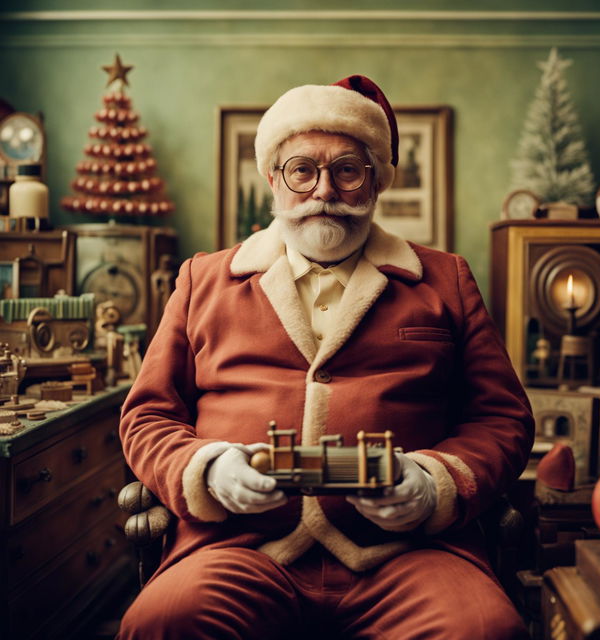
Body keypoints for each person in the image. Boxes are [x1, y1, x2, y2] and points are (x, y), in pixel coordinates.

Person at [118, 75, 534, 640]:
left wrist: (434, 485)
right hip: (239, 548)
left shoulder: (445, 279)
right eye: (301, 170)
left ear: (377, 182)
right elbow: (147, 416)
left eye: (347, 169)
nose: (324, 189)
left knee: (484, 628)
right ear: (272, 180)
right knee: (162, 622)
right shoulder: (202, 279)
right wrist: (208, 470)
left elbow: (502, 418)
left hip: (409, 552)